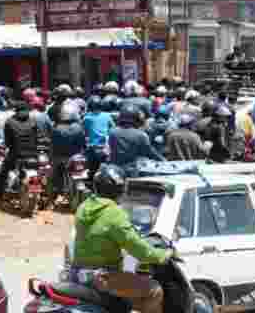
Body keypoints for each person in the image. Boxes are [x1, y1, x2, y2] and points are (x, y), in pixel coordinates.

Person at [70, 166, 172, 313]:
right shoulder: (114, 213)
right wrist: (163, 255)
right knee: (154, 290)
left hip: (77, 275)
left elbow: (97, 237)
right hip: (103, 278)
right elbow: (141, 251)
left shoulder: (83, 207)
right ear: (119, 189)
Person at [0, 102, 46, 200]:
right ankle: (44, 196)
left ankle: (0, 196)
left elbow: (7, 142)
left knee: (3, 172)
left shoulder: (10, 122)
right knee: (42, 173)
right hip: (33, 154)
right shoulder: (33, 121)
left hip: (16, 154)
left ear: (16, 111)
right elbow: (38, 137)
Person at [51, 105, 86, 204]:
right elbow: (83, 144)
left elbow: (53, 144)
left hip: (59, 158)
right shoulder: (78, 128)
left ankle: (54, 195)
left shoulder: (56, 128)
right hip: (76, 158)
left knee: (54, 175)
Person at [84, 96, 115, 179]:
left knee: (91, 169)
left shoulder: (87, 117)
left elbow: (85, 132)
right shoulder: (107, 116)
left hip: (92, 147)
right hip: (105, 147)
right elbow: (113, 129)